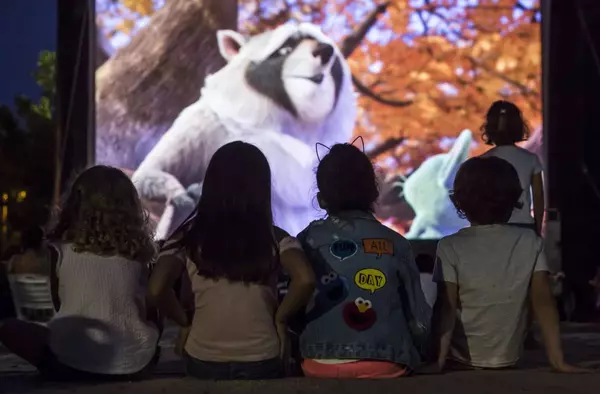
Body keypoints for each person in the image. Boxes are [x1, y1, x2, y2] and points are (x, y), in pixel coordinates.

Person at [148, 141, 315, 380]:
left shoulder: (187, 238)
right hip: (263, 356)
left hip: (203, 357)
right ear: (261, 188)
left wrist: (183, 322)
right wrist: (280, 319)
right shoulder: (274, 237)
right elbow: (306, 279)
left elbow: (156, 289)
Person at [427, 156, 587, 373]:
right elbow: (544, 302)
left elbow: (446, 307)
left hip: (460, 358)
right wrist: (558, 360)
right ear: (514, 199)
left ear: (459, 201)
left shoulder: (449, 245)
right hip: (509, 357)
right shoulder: (531, 242)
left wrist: (438, 361)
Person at [0, 166, 160, 381]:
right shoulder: (139, 252)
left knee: (9, 328)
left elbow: (58, 303)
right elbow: (147, 307)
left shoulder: (59, 248)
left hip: (70, 364)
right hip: (136, 364)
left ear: (75, 204)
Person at [297, 142, 431, 379]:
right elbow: (418, 321)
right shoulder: (397, 244)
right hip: (386, 362)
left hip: (317, 362)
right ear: (374, 194)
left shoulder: (305, 242)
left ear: (321, 199)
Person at [480, 100, 545, 235]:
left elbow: (478, 201)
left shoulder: (481, 161)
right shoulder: (531, 159)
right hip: (524, 229)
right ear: (519, 127)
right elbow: (539, 199)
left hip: (493, 230)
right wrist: (537, 229)